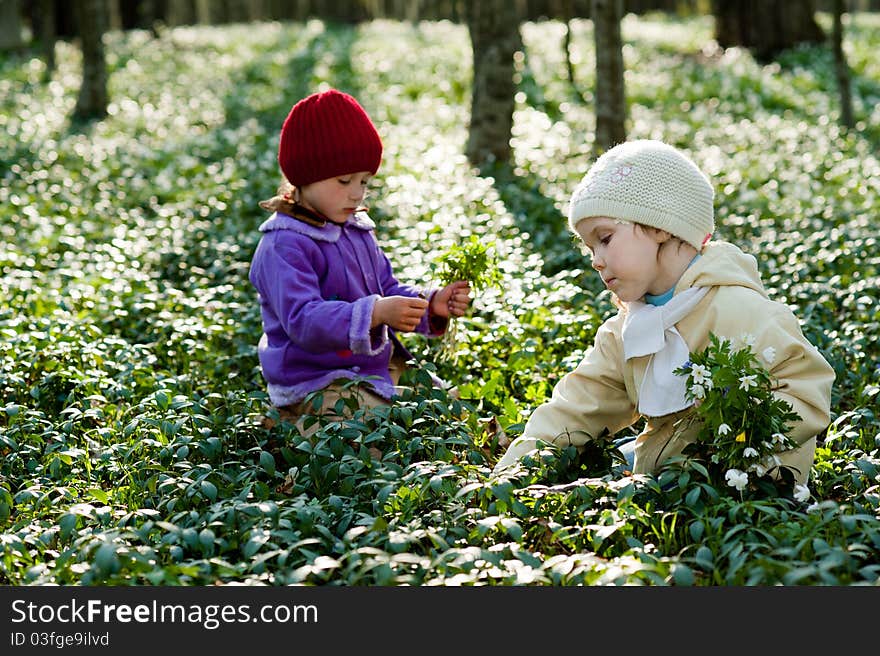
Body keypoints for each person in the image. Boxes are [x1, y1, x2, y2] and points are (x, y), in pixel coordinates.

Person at [493, 139, 834, 486]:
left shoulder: (738, 310)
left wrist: (737, 447)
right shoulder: (629, 328)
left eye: (605, 238)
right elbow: (576, 407)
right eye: (589, 247)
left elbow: (805, 387)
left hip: (746, 493)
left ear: (659, 227)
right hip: (666, 477)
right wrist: (512, 475)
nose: (596, 259)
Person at [249, 88, 471, 433]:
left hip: (372, 369)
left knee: (447, 410)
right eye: (344, 181)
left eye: (364, 181)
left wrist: (430, 304)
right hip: (315, 384)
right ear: (303, 177)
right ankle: (288, 424)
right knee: (381, 434)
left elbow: (386, 288)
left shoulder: (356, 229)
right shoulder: (284, 245)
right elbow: (303, 320)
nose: (357, 193)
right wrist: (376, 312)